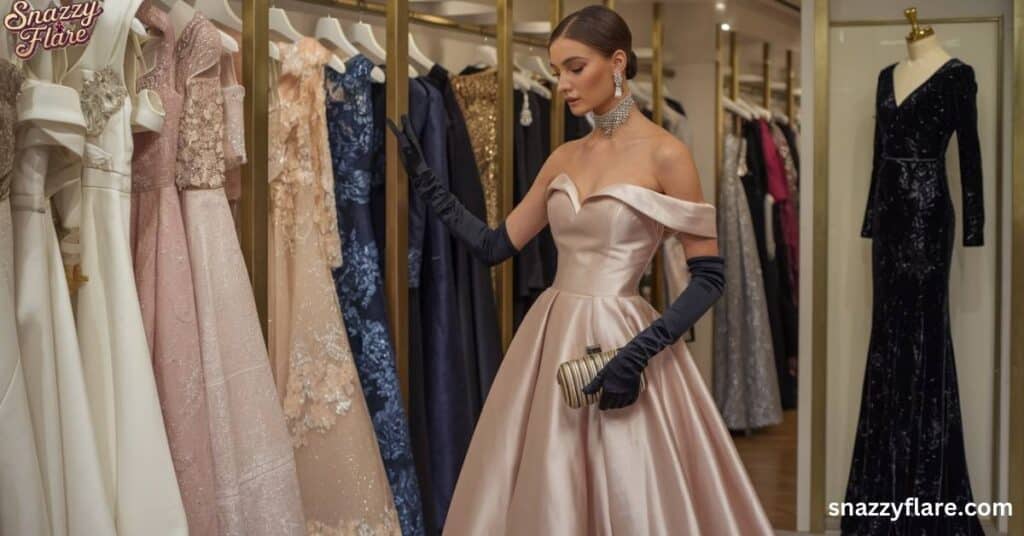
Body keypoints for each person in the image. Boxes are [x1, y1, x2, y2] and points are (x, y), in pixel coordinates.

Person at [387, 5, 774, 534]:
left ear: (617, 62)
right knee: (551, 483)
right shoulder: (564, 156)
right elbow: (495, 245)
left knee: (629, 484)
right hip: (553, 338)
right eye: (556, 72)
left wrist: (637, 354)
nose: (564, 84)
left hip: (628, 341)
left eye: (575, 67)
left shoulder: (667, 154)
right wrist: (427, 182)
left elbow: (709, 276)